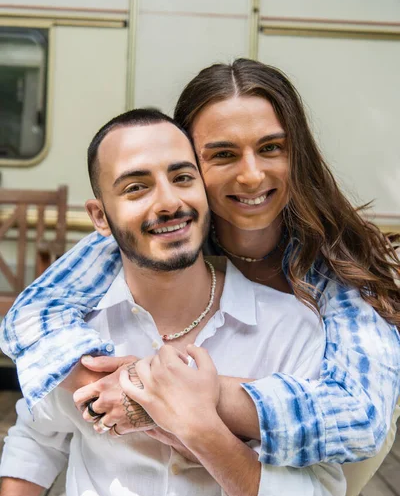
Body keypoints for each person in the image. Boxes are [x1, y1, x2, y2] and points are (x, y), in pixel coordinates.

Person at [1, 59, 399, 470]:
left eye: (270, 148)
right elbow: (31, 316)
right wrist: (120, 388)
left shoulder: (334, 262)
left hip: (328, 463)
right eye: (223, 154)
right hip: (185, 458)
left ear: (296, 155)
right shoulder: (166, 232)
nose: (251, 175)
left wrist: (159, 391)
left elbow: (360, 418)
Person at [0, 109, 345, 496]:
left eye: (182, 178)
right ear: (100, 218)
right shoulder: (78, 333)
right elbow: (38, 437)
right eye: (136, 187)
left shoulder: (293, 329)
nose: (168, 203)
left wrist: (192, 426)